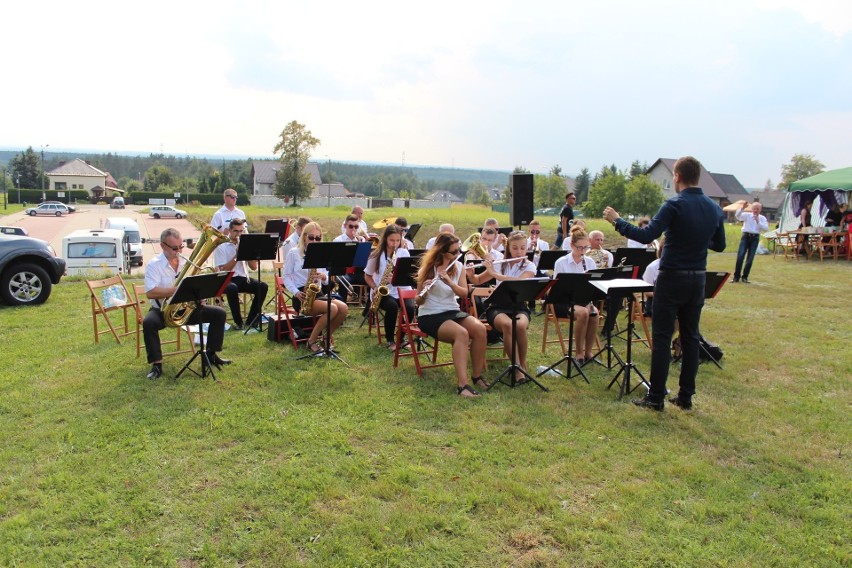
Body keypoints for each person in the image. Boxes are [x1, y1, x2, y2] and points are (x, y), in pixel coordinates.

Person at [603, 155, 726, 411]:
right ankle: (685, 396)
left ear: (677, 177)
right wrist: (695, 239)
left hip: (672, 278)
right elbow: (720, 244)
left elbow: (647, 234)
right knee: (690, 337)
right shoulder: (714, 207)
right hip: (697, 278)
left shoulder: (674, 204)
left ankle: (656, 396)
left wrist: (617, 220)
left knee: (661, 337)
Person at [143, 228, 229, 379]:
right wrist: (177, 290)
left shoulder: (186, 262)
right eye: (174, 248)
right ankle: (156, 365)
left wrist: (198, 295)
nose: (179, 251)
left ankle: (211, 354)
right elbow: (151, 292)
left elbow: (195, 285)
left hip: (186, 309)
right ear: (163, 246)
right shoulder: (154, 265)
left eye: (181, 247)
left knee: (219, 314)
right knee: (148, 323)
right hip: (162, 310)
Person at [415, 232, 488, 397]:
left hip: (452, 311)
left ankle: (477, 376)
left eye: (458, 251)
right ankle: (463, 385)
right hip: (430, 315)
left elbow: (463, 293)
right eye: (454, 252)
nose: (457, 254)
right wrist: (425, 293)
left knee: (479, 329)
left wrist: (448, 281)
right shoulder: (427, 269)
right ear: (442, 252)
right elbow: (418, 301)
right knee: (461, 334)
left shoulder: (459, 266)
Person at [283, 222, 350, 353]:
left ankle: (325, 338)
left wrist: (324, 277)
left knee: (344, 308)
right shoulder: (294, 253)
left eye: (318, 238)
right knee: (332, 308)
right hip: (301, 296)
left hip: (317, 293)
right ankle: (311, 341)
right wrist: (296, 292)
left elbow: (325, 282)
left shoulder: (321, 254)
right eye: (311, 237)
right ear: (304, 237)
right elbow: (286, 276)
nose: (314, 241)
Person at [481, 231, 537, 379]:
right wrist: (471, 271)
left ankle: (521, 365)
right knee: (507, 325)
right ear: (509, 248)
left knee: (519, 326)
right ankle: (516, 367)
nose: (519, 251)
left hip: (519, 306)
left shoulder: (530, 265)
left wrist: (494, 274)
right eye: (515, 248)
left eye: (523, 248)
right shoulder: (500, 263)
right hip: (497, 306)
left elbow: (518, 282)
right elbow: (476, 279)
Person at [552, 226, 600, 365]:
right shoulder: (561, 262)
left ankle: (588, 352)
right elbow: (557, 289)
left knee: (594, 312)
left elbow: (594, 285)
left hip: (582, 300)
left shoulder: (589, 262)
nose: (583, 251)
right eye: (580, 248)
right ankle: (578, 353)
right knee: (583, 313)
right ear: (572, 245)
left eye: (586, 248)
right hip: (564, 302)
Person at [214, 218, 269, 331]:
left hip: (243, 278)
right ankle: (238, 323)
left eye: (241, 231)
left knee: (263, 286)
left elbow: (253, 268)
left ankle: (251, 321)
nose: (239, 234)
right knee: (232, 288)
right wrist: (237, 256)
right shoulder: (221, 246)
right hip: (226, 279)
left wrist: (247, 252)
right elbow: (223, 269)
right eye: (236, 231)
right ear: (229, 230)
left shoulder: (246, 244)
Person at [365, 225, 413, 349]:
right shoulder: (376, 255)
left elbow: (408, 276)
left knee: (410, 308)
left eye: (398, 240)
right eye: (392, 240)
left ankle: (401, 338)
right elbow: (367, 276)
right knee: (392, 306)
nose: (395, 244)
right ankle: (390, 340)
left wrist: (396, 279)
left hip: (402, 290)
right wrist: (375, 288)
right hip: (382, 292)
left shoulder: (404, 253)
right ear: (385, 239)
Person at [732, 201, 769, 283]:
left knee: (750, 258)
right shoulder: (747, 215)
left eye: (758, 209)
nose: (756, 210)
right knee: (740, 256)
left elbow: (766, 228)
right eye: (754, 208)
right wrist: (742, 208)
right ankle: (736, 277)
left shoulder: (762, 218)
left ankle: (745, 277)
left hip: (755, 238)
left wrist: (758, 221)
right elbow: (738, 216)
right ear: (752, 209)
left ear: (760, 210)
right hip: (745, 236)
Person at [334, 214, 368, 291]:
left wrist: (360, 243)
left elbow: (363, 259)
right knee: (343, 280)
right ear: (345, 226)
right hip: (344, 272)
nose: (353, 229)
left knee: (371, 279)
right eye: (351, 226)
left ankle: (367, 301)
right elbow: (336, 260)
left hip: (358, 272)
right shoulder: (338, 240)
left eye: (356, 227)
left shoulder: (361, 239)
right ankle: (343, 301)